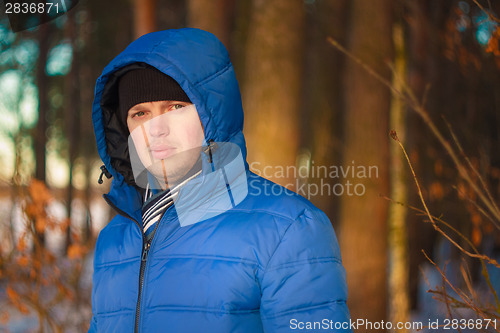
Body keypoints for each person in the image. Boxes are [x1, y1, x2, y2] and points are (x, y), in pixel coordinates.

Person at [89, 28, 351, 332]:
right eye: (140, 113)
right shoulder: (114, 239)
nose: (156, 129)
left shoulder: (288, 229)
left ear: (213, 114)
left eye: (175, 107)